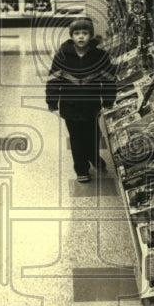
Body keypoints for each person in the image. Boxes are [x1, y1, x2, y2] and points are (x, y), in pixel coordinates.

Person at [46, 17, 116, 183]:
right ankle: (81, 168)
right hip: (70, 106)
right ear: (72, 36)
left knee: (93, 135)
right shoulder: (62, 56)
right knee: (76, 138)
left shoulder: (100, 56)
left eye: (85, 33)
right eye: (77, 33)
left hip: (92, 105)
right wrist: (52, 101)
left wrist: (108, 101)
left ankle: (94, 156)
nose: (81, 37)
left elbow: (108, 80)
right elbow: (53, 80)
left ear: (91, 35)